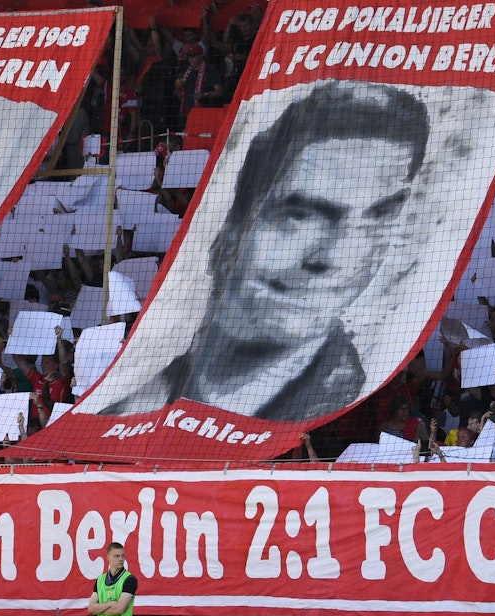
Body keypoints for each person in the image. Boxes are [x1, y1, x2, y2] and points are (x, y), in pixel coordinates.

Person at [99, 81, 430, 421]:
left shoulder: (345, 414)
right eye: (300, 216)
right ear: (231, 227)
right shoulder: (126, 410)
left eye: (376, 220)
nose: (335, 259)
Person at [86, 542, 136, 616]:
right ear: (108, 557)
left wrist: (99, 609)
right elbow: (91, 609)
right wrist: (111, 604)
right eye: (116, 556)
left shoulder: (130, 579)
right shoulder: (100, 580)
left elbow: (119, 609)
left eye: (122, 556)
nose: (121, 559)